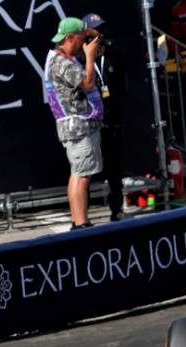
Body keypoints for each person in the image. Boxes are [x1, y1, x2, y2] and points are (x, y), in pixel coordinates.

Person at [44, 17, 103, 229]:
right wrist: (90, 56)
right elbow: (88, 84)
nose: (83, 42)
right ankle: (81, 224)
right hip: (78, 127)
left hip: (76, 126)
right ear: (69, 38)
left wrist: (91, 36)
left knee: (77, 174)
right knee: (82, 176)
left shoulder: (60, 58)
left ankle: (77, 221)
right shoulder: (62, 62)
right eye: (81, 37)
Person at [82, 13, 124, 221]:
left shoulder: (112, 53)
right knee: (86, 170)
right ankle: (83, 215)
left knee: (114, 166)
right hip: (89, 121)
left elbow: (122, 84)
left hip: (110, 118)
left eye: (101, 28)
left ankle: (117, 208)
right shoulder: (80, 58)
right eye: (95, 29)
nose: (100, 33)